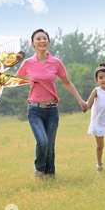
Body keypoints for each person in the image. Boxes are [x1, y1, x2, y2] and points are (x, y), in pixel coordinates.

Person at [16, 29, 88, 178]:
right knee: (42, 142)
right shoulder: (28, 63)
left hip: (52, 109)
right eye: (38, 39)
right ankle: (39, 168)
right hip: (34, 109)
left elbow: (67, 83)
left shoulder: (56, 62)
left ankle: (50, 174)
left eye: (45, 38)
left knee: (50, 146)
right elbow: (15, 81)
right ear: (33, 43)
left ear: (48, 41)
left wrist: (80, 99)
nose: (42, 41)